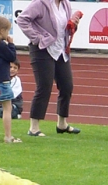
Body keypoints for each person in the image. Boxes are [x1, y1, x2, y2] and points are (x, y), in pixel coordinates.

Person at [17, 0, 82, 136]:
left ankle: (62, 124)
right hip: (42, 49)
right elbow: (22, 20)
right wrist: (37, 38)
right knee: (44, 86)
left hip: (60, 50)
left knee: (67, 86)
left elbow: (63, 29)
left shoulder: (65, 4)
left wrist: (73, 26)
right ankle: (34, 127)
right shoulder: (40, 3)